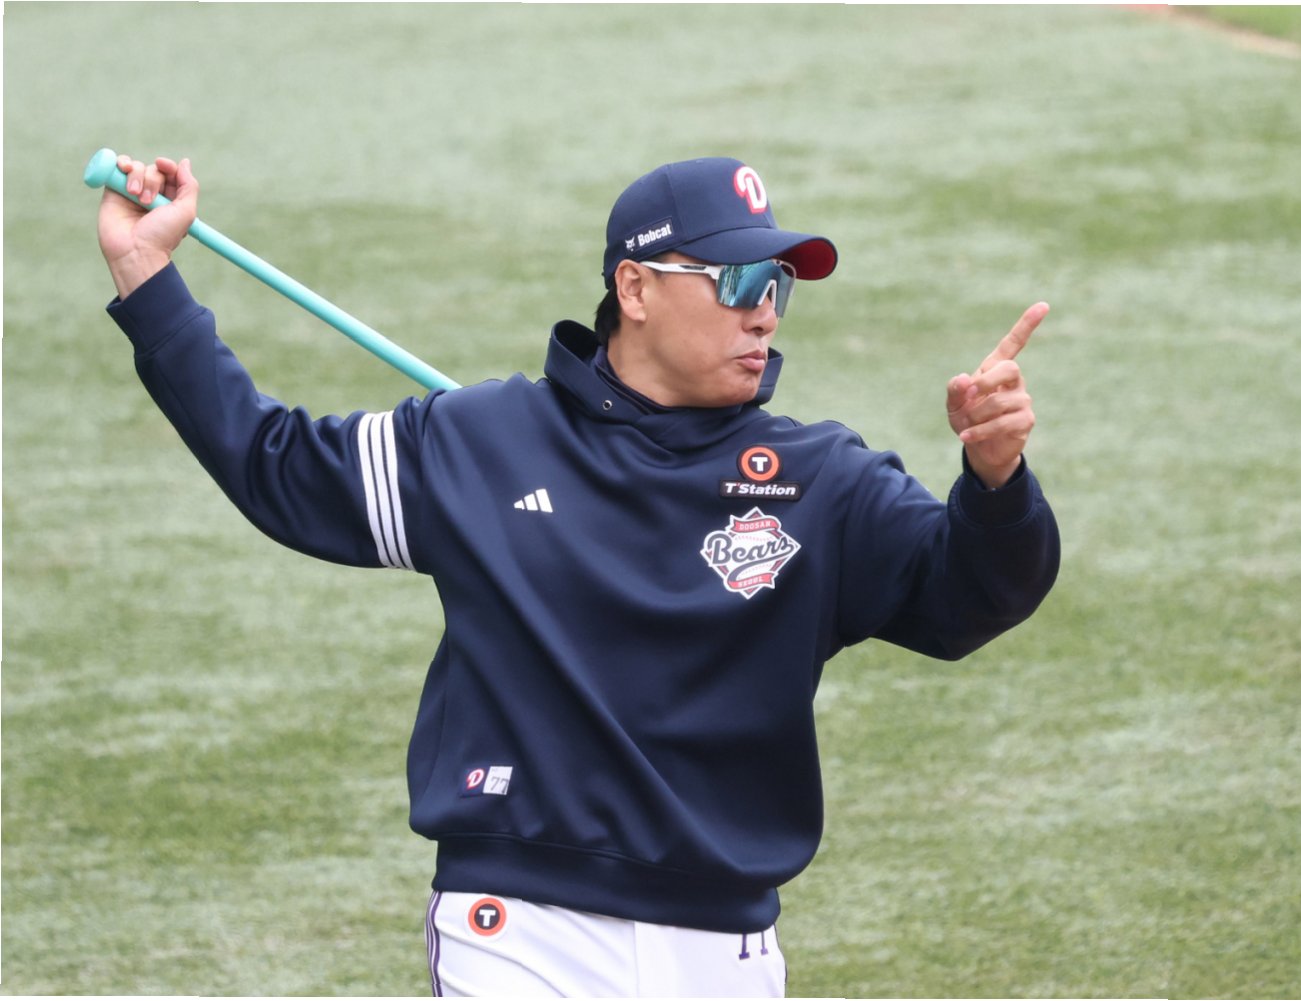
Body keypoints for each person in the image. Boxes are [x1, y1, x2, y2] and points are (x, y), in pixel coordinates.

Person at [97, 153, 1060, 997]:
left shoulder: (822, 480)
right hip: (520, 928)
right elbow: (275, 466)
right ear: (634, 289)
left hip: (725, 946)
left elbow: (967, 598)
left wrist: (995, 481)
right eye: (736, 279)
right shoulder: (482, 440)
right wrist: (147, 276)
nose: (765, 309)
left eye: (778, 283)